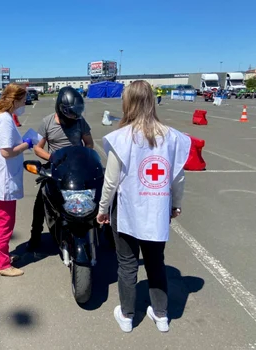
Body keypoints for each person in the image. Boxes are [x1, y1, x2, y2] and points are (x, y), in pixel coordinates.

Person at [96, 81, 191, 333]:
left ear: (127, 103)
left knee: (126, 264)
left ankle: (127, 316)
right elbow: (178, 177)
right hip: (157, 210)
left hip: (127, 211)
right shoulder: (172, 137)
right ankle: (161, 315)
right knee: (155, 262)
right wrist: (176, 204)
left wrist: (103, 208)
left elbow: (111, 180)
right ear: (151, 100)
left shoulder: (121, 137)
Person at [26, 86, 94, 251]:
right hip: (56, 167)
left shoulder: (80, 121)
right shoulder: (47, 122)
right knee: (41, 201)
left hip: (78, 166)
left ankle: (105, 233)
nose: (73, 117)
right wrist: (52, 158)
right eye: (70, 113)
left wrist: (85, 156)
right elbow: (38, 148)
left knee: (96, 197)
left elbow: (89, 143)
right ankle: (35, 236)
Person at [0, 83, 34, 277]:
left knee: (2, 221)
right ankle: (2, 265)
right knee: (3, 222)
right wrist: (27, 144)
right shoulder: (4, 119)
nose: (25, 104)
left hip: (0, 178)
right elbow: (6, 151)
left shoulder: (0, 116)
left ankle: (1, 257)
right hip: (2, 180)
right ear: (16, 100)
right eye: (23, 100)